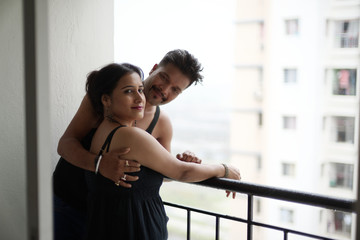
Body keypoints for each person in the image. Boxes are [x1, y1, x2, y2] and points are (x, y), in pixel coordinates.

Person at [53, 49, 205, 240]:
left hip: (110, 221)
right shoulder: (105, 98)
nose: (165, 90)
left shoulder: (162, 123)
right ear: (154, 69)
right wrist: (98, 164)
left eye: (175, 89)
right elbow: (65, 144)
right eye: (164, 78)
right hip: (70, 206)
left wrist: (182, 162)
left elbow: (164, 174)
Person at [84, 62, 241, 240]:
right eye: (128, 91)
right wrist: (224, 169)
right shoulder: (131, 136)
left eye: (140, 90)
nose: (139, 98)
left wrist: (179, 162)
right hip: (133, 228)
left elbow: (165, 170)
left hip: (110, 224)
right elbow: (182, 172)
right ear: (106, 99)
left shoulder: (105, 129)